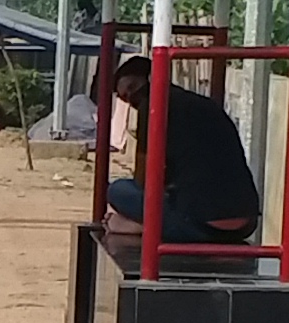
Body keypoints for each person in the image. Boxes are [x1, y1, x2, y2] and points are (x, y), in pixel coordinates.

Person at [100, 53, 260, 246]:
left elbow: (143, 180)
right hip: (246, 223)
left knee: (118, 190)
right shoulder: (203, 104)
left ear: (152, 77)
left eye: (133, 88)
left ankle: (144, 227)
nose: (133, 99)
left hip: (199, 223)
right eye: (127, 98)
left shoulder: (152, 107)